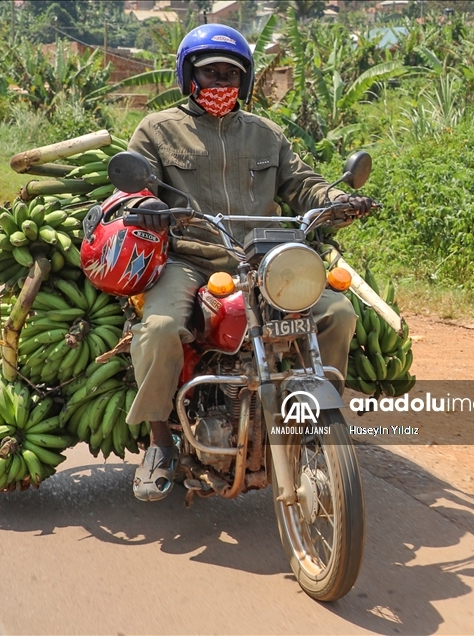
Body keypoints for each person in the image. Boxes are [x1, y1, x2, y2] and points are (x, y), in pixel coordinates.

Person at [113, 25, 374, 502]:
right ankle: (159, 443)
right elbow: (132, 187)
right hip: (191, 258)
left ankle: (319, 427)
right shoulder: (157, 128)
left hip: (266, 258)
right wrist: (140, 203)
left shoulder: (266, 134)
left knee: (338, 314)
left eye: (230, 73)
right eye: (210, 71)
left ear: (246, 81)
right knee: (160, 329)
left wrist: (338, 199)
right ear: (188, 76)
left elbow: (303, 184)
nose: (220, 82)